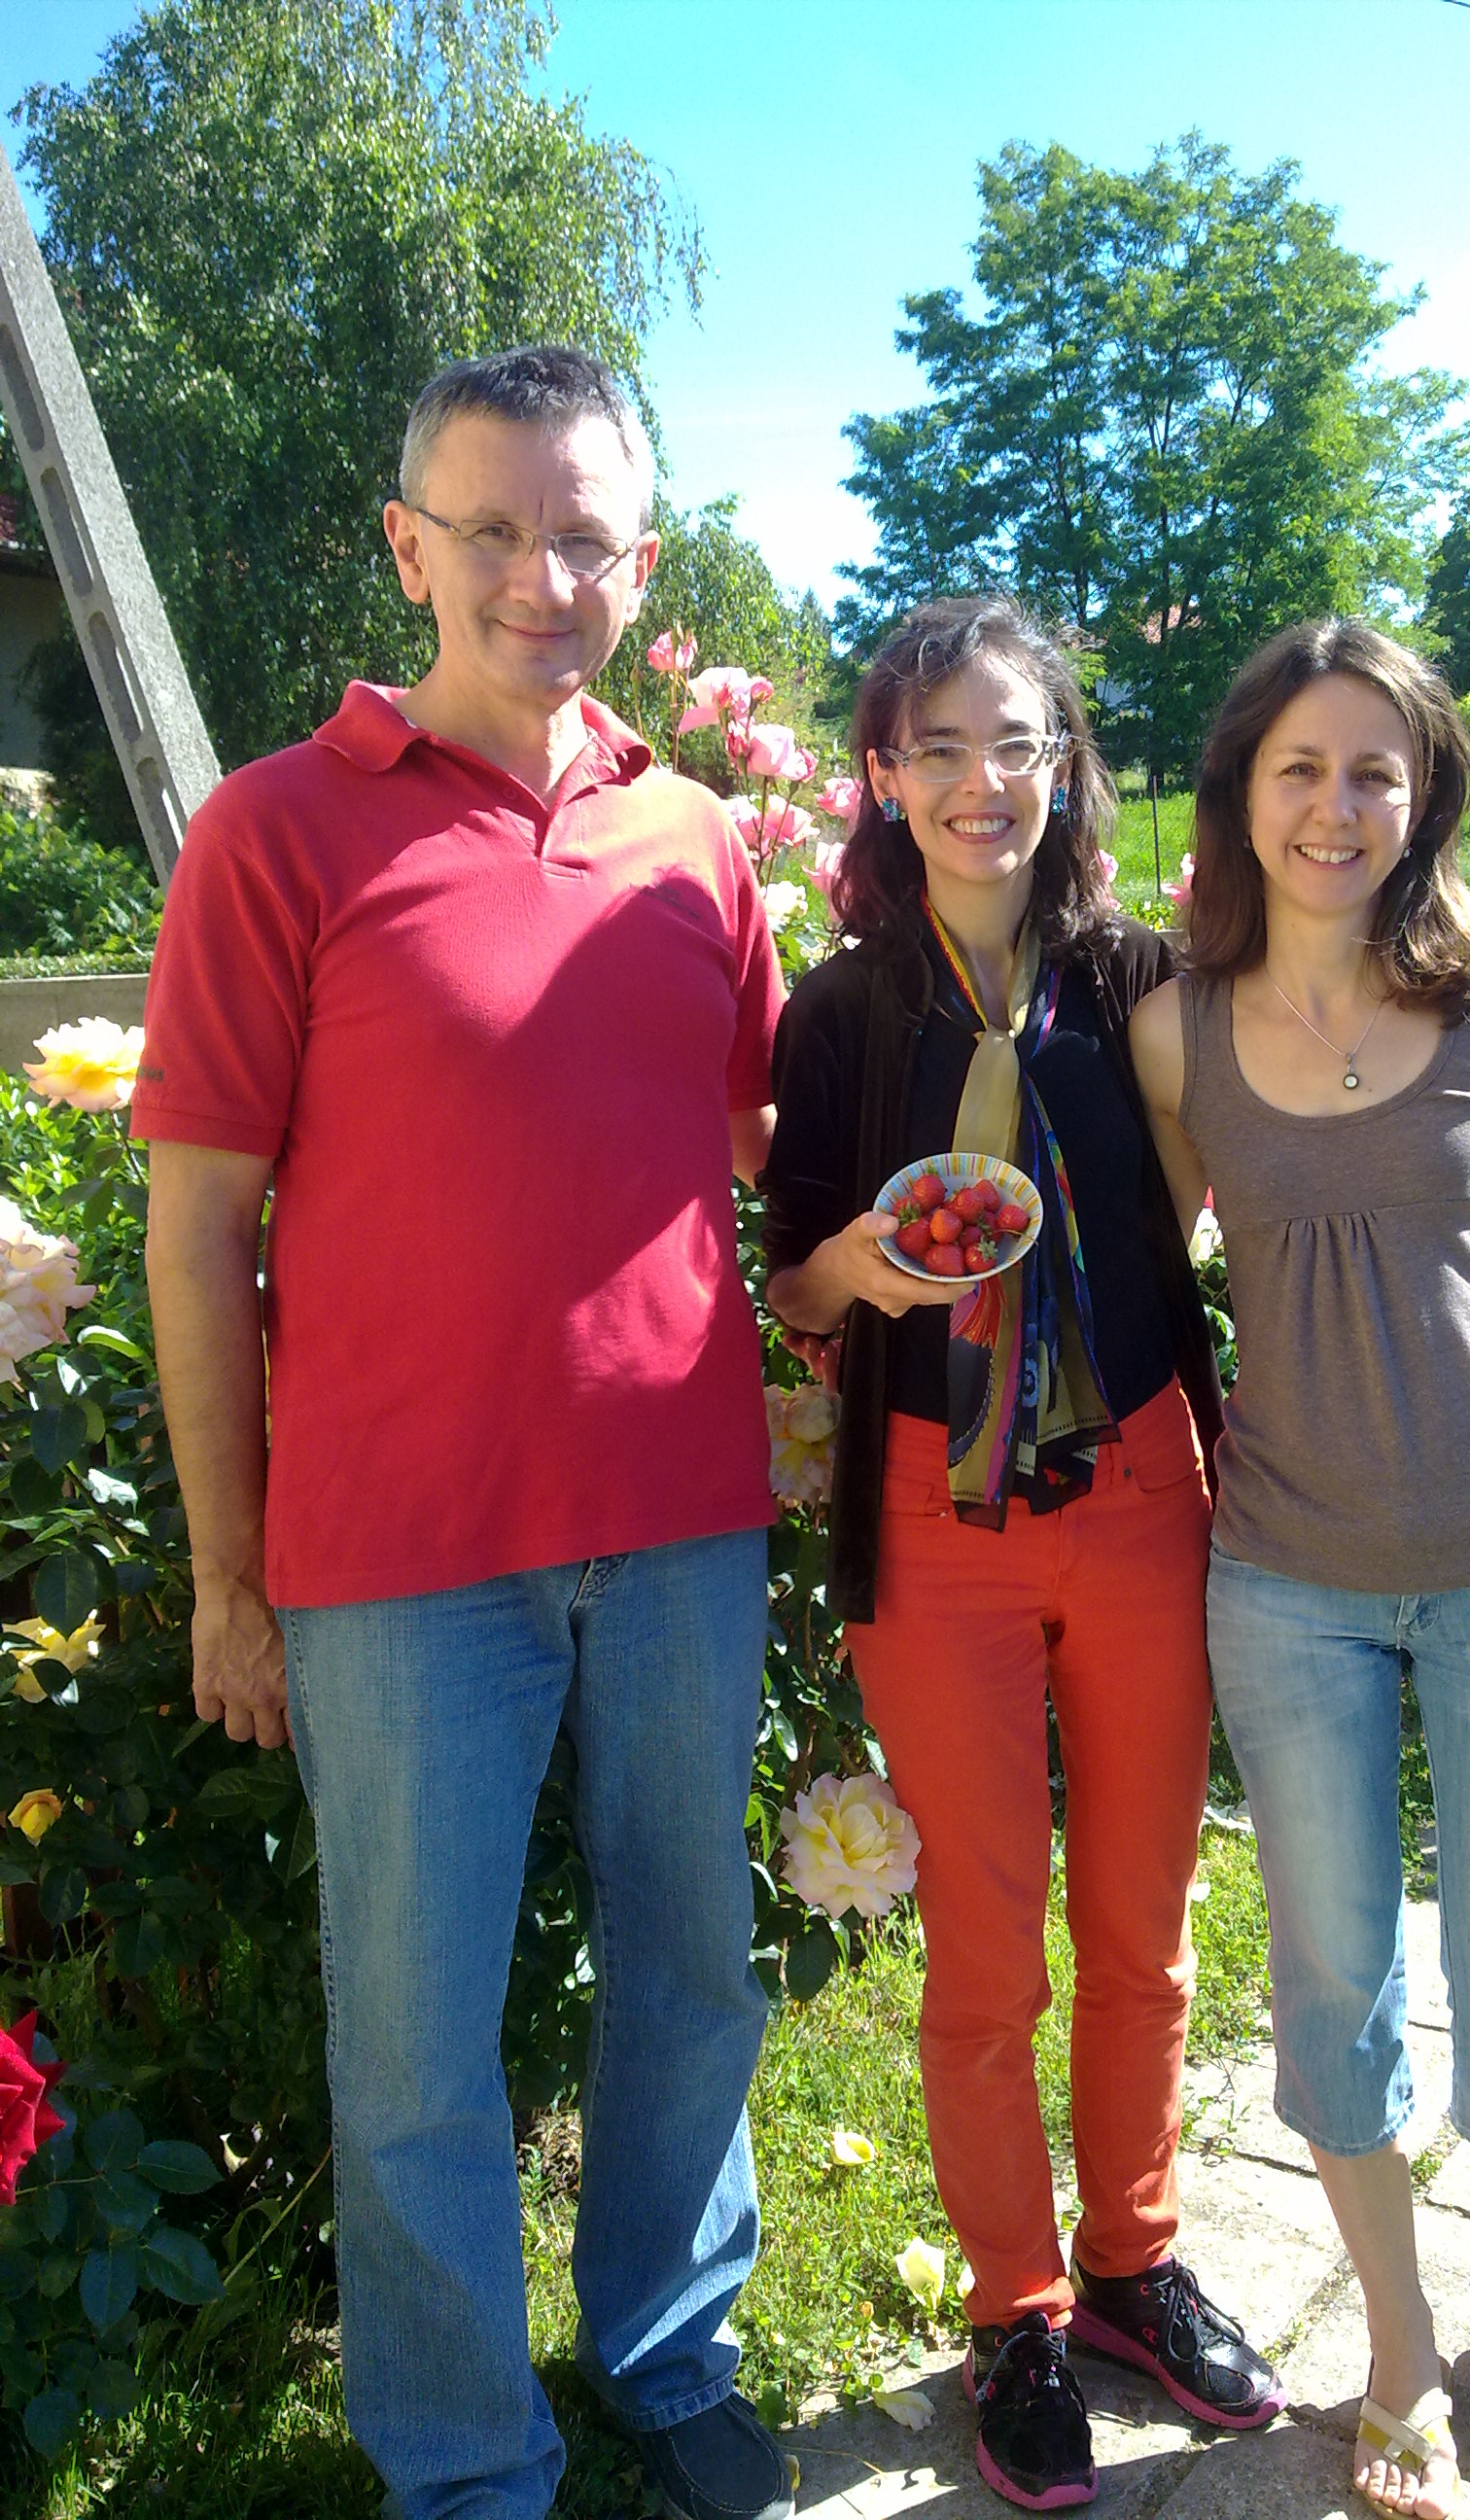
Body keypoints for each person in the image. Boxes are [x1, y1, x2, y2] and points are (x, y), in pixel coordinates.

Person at [133, 345, 794, 2520]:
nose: (541, 574)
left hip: (685, 1527)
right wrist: (230, 1573)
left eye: (585, 532)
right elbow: (201, 1223)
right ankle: (457, 2461)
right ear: (411, 546)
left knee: (696, 1968)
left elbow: (714, 1155)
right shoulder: (276, 827)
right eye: (493, 529)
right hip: (402, 1558)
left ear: (643, 557)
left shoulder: (701, 841)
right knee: (415, 2045)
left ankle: (669, 2348)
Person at [1131, 616, 1470, 2520]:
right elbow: (1124, 1279)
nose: (1335, 805)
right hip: (1289, 1589)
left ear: (1423, 792)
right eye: (1299, 768)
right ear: (1243, 793)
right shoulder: (1174, 1029)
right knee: (1336, 1988)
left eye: (1375, 769)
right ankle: (1393, 2354)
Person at [761, 594, 1283, 2512]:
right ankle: (1019, 2313)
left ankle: (1138, 2264)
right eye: (941, 749)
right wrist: (862, 1266)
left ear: (1067, 766)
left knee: (1142, 1924)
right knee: (986, 1956)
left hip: (1141, 1494)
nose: (985, 785)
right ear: (885, 775)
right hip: (932, 1517)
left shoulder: (1144, 978)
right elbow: (794, 1270)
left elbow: (1247, 1157)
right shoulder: (839, 1011)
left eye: (1021, 744)